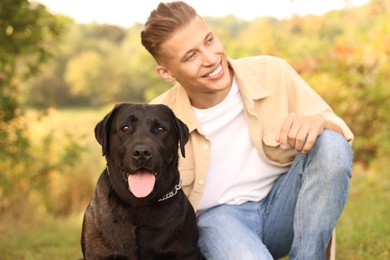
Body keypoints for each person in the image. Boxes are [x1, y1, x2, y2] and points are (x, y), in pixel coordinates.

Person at [141, 1, 354, 259]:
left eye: (209, 41)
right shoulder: (156, 119)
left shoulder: (271, 72)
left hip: (285, 206)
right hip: (219, 222)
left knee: (330, 142)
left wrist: (319, 122)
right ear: (166, 72)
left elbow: (341, 136)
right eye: (191, 56)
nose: (210, 59)